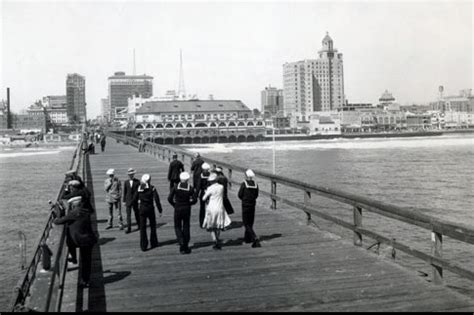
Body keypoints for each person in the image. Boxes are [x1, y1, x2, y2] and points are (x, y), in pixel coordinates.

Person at [53, 196, 97, 288]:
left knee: (83, 259)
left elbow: (59, 221)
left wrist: (56, 216)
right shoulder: (85, 211)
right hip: (89, 239)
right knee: (87, 261)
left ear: (73, 205)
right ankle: (86, 280)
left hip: (81, 240)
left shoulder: (74, 213)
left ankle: (75, 261)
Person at [168, 172, 197, 254]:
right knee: (186, 226)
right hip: (186, 208)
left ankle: (181, 242)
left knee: (177, 226)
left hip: (177, 208)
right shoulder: (190, 188)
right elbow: (195, 200)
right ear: (187, 180)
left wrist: (174, 204)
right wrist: (189, 203)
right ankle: (186, 244)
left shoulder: (176, 187)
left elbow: (169, 198)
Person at [202, 173, 231, 250]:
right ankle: (217, 238)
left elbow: (203, 198)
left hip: (211, 207)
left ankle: (215, 240)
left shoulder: (210, 188)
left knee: (211, 226)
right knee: (218, 225)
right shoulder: (221, 187)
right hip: (220, 207)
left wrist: (206, 192)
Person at [137, 174, 163, 251]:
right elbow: (157, 199)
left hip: (142, 209)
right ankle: (153, 242)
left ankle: (143, 245)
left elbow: (135, 197)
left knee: (142, 228)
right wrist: (160, 210)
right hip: (150, 209)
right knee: (152, 226)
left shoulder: (139, 188)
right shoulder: (152, 188)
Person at [238, 169, 261, 248]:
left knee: (246, 223)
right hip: (252, 204)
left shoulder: (244, 184)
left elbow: (240, 194)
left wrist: (244, 199)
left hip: (245, 205)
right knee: (250, 222)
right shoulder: (255, 184)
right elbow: (256, 195)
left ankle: (254, 237)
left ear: (246, 176)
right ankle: (247, 239)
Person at [123, 168, 140, 234]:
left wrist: (139, 199)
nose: (131, 175)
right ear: (128, 175)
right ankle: (129, 228)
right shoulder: (126, 182)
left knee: (137, 213)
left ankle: (139, 225)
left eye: (132, 174)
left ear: (133, 174)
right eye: (130, 174)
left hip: (135, 200)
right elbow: (125, 192)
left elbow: (139, 191)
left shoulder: (137, 181)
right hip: (128, 200)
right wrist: (124, 201)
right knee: (128, 215)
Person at [196, 162, 211, 228]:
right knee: (210, 208)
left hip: (203, 192)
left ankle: (202, 223)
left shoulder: (201, 175)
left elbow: (198, 186)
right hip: (210, 193)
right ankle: (210, 222)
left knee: (202, 208)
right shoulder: (211, 175)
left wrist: (195, 195)